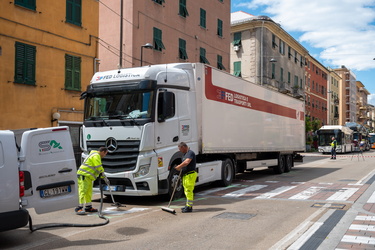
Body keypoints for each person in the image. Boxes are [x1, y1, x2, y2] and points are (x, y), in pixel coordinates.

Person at [75, 147, 108, 215]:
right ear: (103, 152)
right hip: (83, 175)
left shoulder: (94, 155)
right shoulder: (96, 156)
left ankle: (88, 207)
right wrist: (104, 176)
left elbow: (96, 168)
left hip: (88, 177)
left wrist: (101, 175)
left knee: (88, 192)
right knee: (82, 191)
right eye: (105, 154)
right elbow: (98, 167)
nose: (105, 156)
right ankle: (78, 207)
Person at [174, 142, 197, 213]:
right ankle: (187, 205)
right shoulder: (184, 154)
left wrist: (179, 167)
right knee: (186, 191)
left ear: (183, 147)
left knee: (189, 190)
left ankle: (189, 207)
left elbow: (187, 162)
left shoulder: (190, 153)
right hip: (186, 175)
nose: (179, 150)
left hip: (190, 175)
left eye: (180, 149)